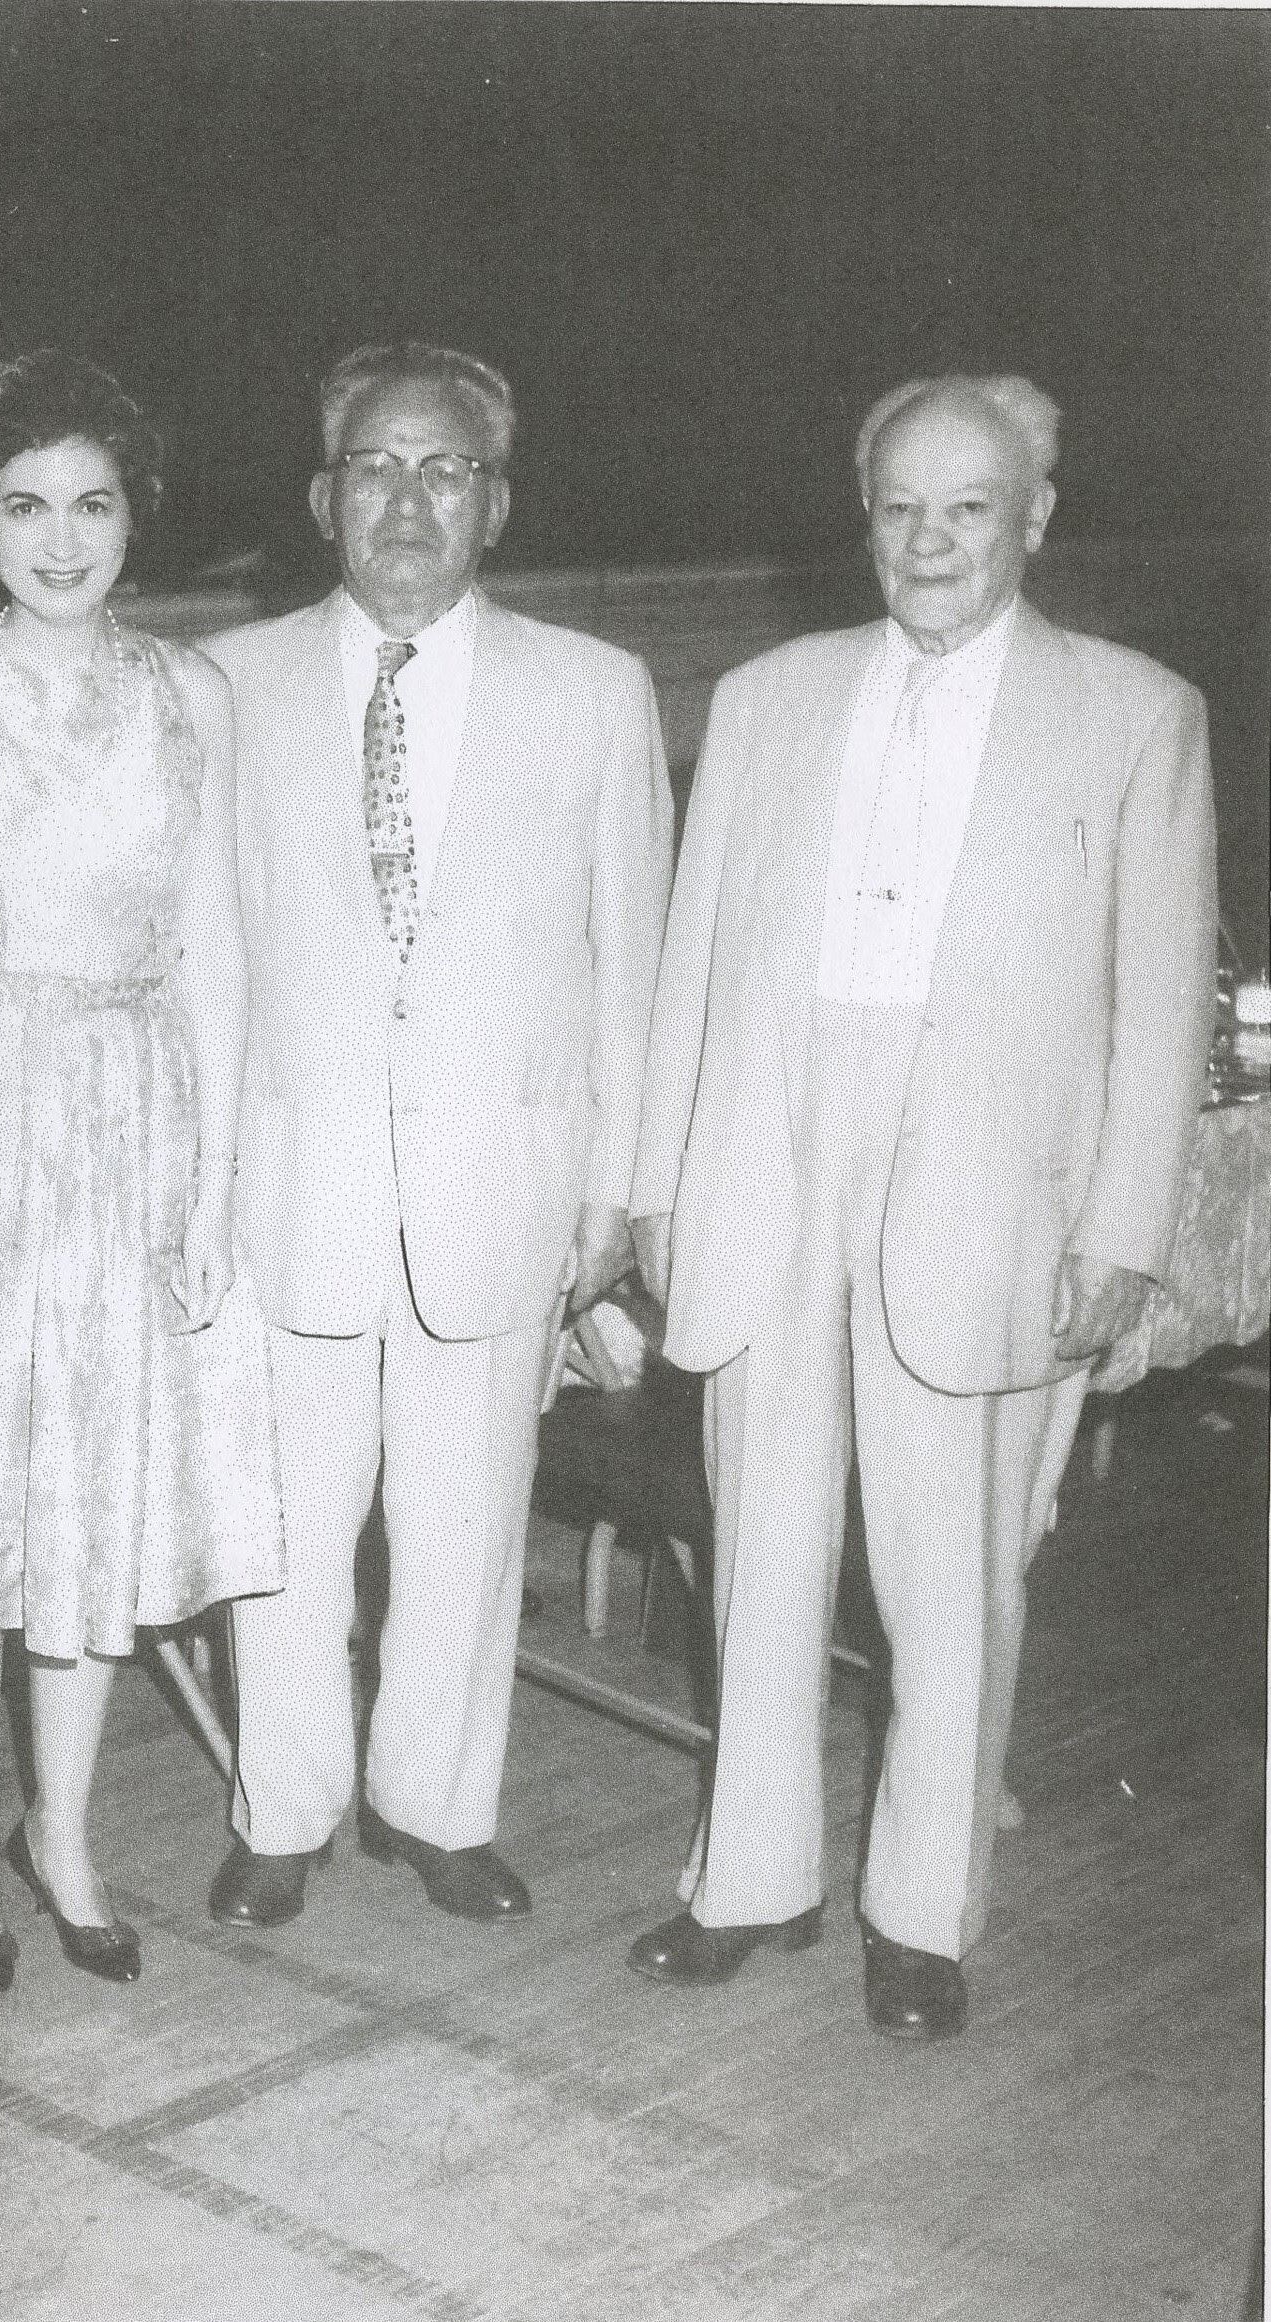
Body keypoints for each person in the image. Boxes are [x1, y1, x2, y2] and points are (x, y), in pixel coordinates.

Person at [625, 375, 1215, 2040]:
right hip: (770, 1149)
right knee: (762, 1540)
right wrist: (662, 1173)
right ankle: (743, 1878)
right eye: (899, 505)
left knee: (947, 1564)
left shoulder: (1131, 711)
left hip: (981, 1181)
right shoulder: (761, 696)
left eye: (968, 506)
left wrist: (1117, 1230)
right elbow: (687, 962)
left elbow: (1159, 1000)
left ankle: (920, 1913)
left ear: (1032, 515)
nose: (928, 538)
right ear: (860, 512)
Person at [203, 343, 671, 1932]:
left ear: (497, 504)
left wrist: (618, 1189)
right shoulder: (228, 686)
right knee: (284, 1531)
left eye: (446, 469)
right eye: (379, 470)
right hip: (291, 1184)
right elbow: (200, 963)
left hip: (503, 1192)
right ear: (326, 499)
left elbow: (635, 965)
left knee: (467, 1522)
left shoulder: (595, 693)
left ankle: (438, 1807)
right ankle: (284, 1806)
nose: (409, 498)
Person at [0, 350, 283, 1993]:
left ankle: (65, 1828)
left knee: (90, 1491)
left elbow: (222, 947)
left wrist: (214, 1175)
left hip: (128, 1108)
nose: (59, 536)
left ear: (134, 516)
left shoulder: (194, 696)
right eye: (24, 504)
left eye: (91, 503)